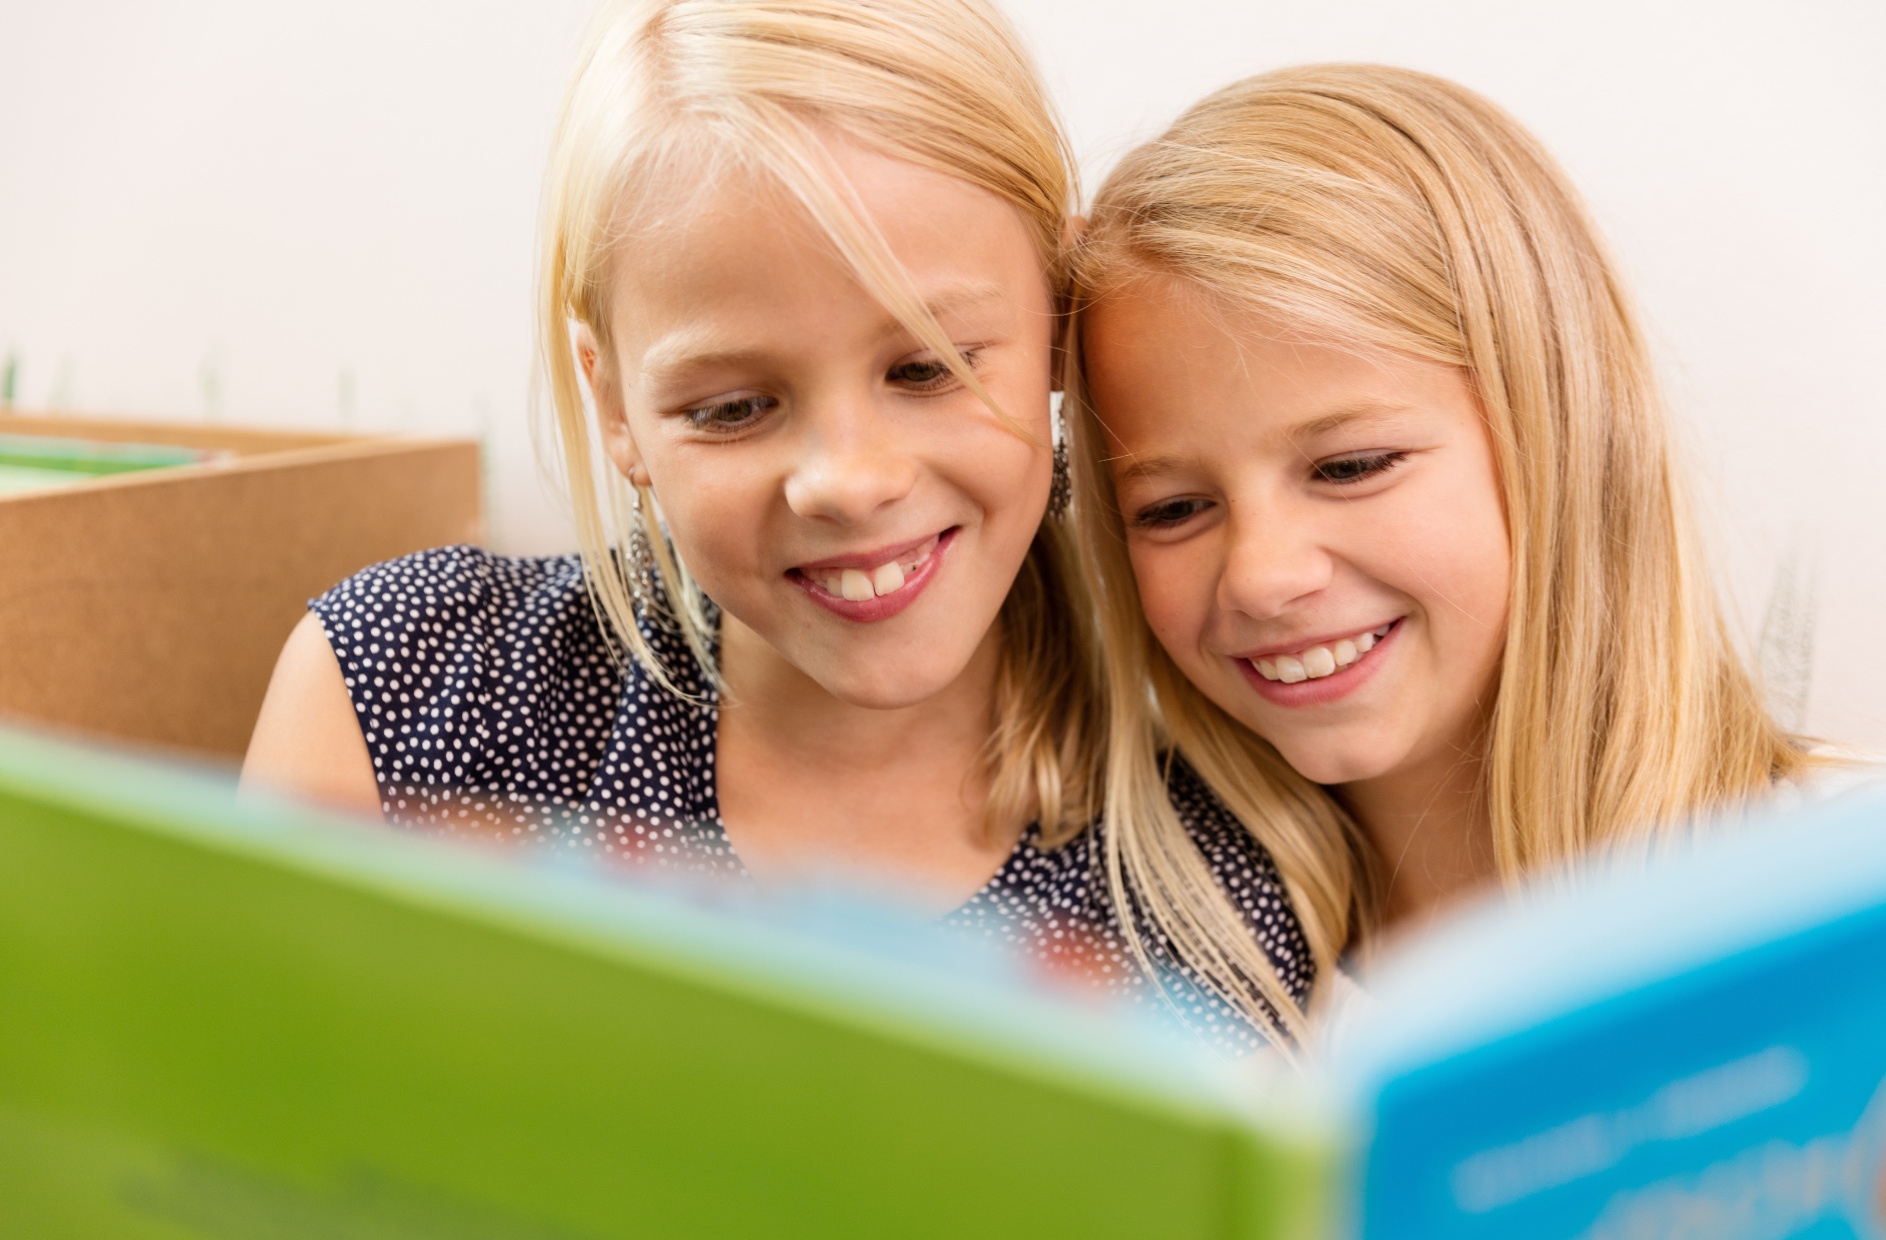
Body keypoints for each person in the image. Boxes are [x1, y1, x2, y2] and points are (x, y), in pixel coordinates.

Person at [243, 0, 1314, 1052]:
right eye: (733, 408)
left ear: (1057, 321)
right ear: (614, 404)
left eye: (927, 367)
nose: (847, 482)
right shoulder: (405, 689)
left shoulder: (1219, 868)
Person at [1066, 63, 1831, 1016]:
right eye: (1173, 510)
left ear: (1558, 430)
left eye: (1350, 466)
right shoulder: (1156, 997)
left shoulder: (1858, 907)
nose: (1262, 577)